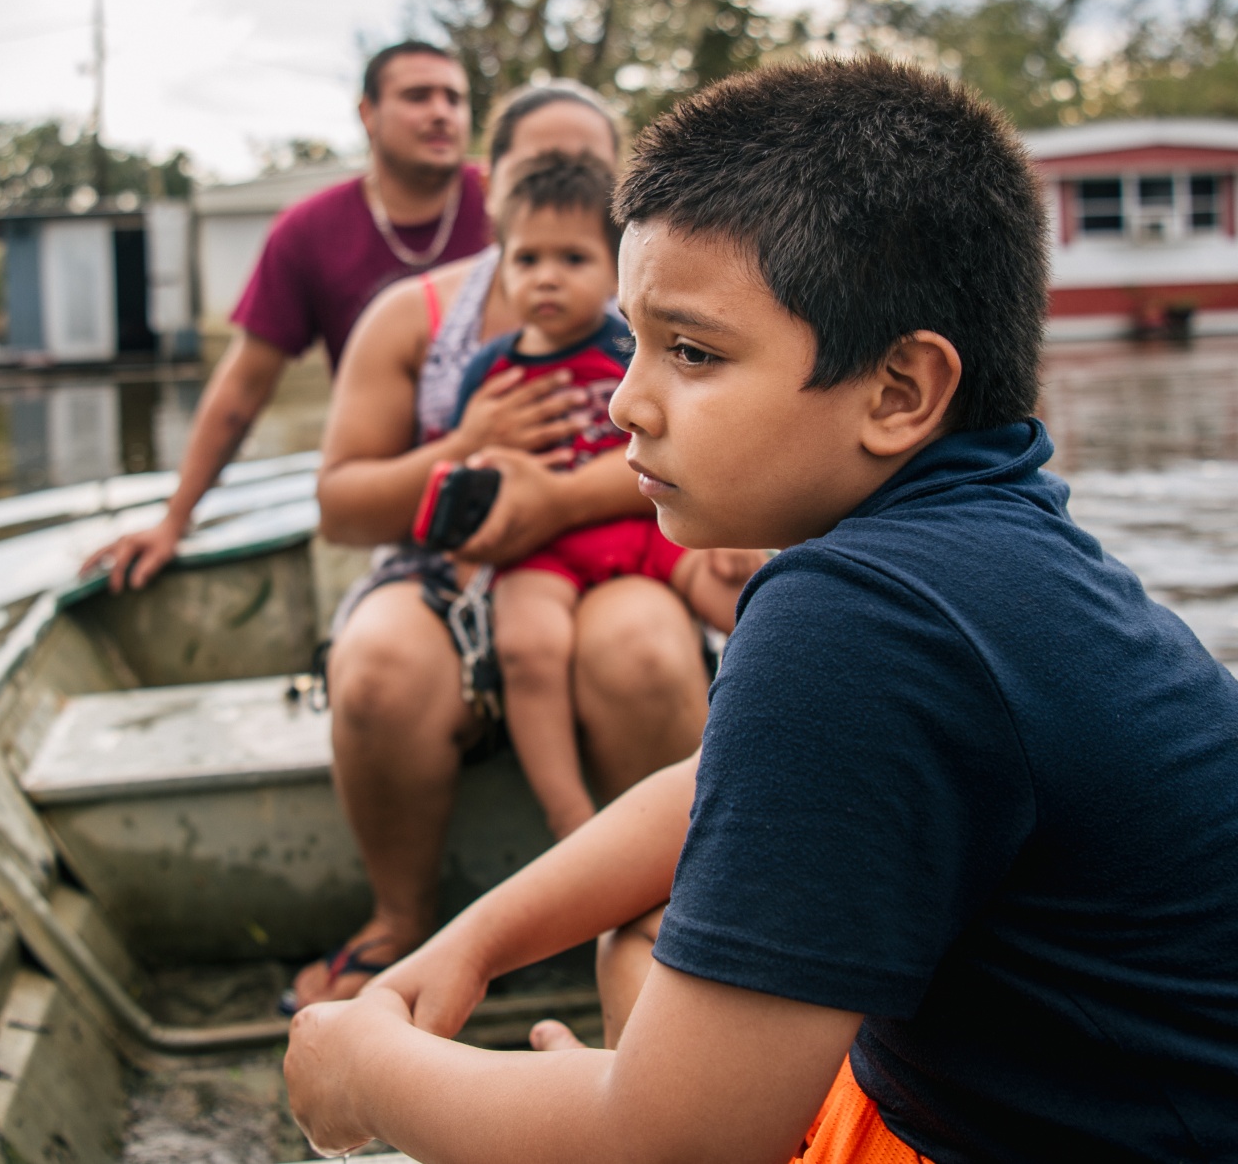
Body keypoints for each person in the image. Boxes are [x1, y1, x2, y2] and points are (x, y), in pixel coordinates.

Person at [284, 57, 1238, 1161]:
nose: (625, 399)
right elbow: (714, 785)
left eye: (690, 351)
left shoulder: (857, 617)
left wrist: (369, 1073)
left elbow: (668, 1149)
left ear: (896, 392)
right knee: (638, 940)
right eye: (633, 338)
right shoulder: (990, 541)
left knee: (639, 1030)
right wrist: (473, 941)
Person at [290, 84, 710, 1010]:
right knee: (379, 668)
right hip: (447, 563)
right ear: (494, 186)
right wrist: (462, 442)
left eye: (589, 171)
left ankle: (688, 909)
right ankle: (400, 917)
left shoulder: (658, 298)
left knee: (639, 648)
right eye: (535, 167)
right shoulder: (417, 315)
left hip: (615, 540)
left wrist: (556, 500)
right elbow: (342, 505)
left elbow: (702, 446)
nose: (561, 185)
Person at [81, 40, 490, 590]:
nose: (442, 112)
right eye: (418, 96)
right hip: (394, 491)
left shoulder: (510, 205)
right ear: (367, 113)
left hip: (518, 460)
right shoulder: (308, 233)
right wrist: (175, 520)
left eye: (455, 99)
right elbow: (242, 387)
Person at [449, 153, 763, 841]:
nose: (548, 276)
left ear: (616, 270)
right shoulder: (489, 370)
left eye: (573, 257)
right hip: (542, 551)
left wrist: (733, 526)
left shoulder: (636, 346)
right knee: (528, 646)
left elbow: (693, 442)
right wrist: (472, 560)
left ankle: (789, 738)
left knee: (752, 598)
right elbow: (474, 486)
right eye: (526, 259)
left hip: (643, 519)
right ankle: (570, 817)